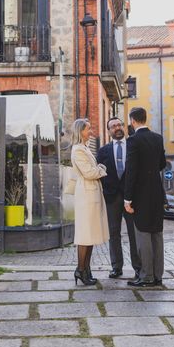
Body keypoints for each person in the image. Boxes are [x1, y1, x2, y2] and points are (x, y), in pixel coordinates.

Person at [123, 107, 167, 287]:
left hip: (140, 194)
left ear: (133, 120)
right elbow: (162, 164)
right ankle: (158, 275)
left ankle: (146, 275)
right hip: (157, 192)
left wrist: (127, 198)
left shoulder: (133, 141)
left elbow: (131, 171)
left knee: (143, 234)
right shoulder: (158, 138)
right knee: (157, 233)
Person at [96, 117, 142, 279]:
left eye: (119, 124)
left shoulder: (133, 146)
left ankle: (138, 267)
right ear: (109, 131)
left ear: (124, 126)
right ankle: (116, 267)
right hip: (112, 197)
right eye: (113, 126)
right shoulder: (103, 151)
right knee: (113, 233)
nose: (117, 127)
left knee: (133, 233)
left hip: (131, 197)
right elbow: (99, 173)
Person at [71, 118, 109, 285]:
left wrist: (98, 169)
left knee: (90, 235)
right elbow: (89, 173)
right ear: (80, 132)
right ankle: (80, 269)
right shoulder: (78, 150)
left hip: (91, 195)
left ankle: (86, 269)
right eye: (88, 129)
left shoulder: (85, 149)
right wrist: (101, 169)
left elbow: (92, 170)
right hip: (86, 196)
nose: (91, 132)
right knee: (85, 236)